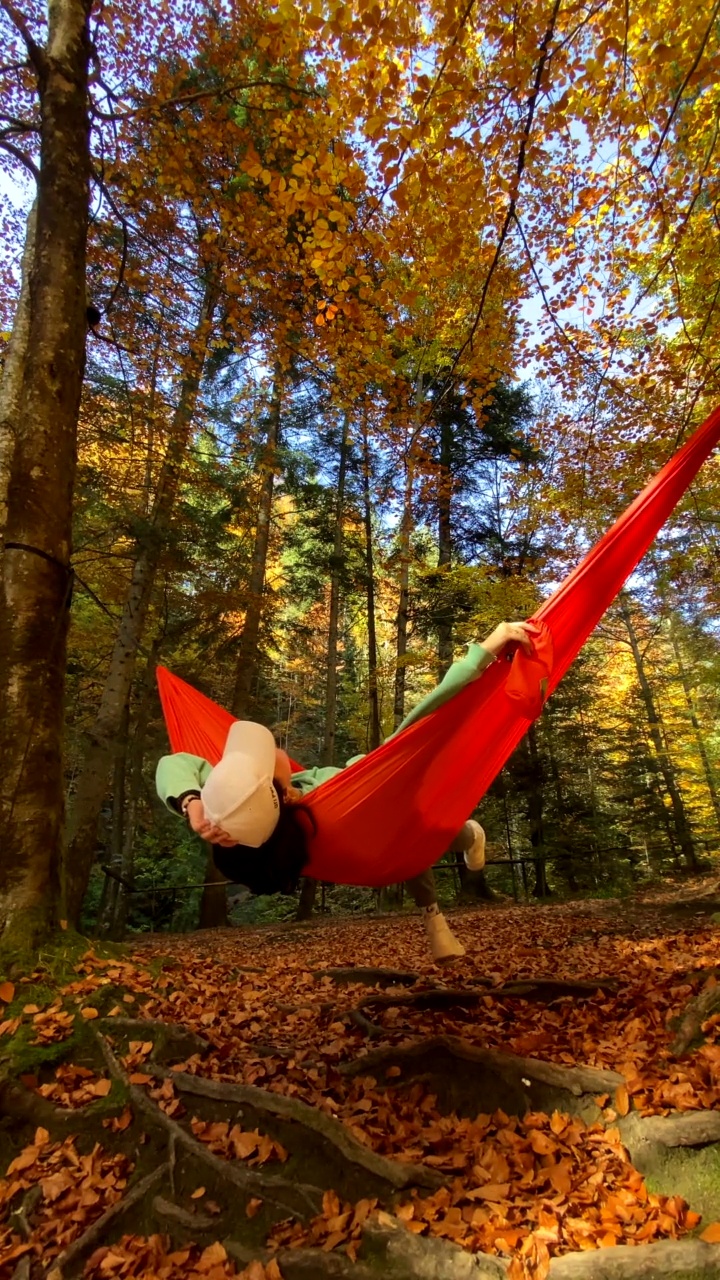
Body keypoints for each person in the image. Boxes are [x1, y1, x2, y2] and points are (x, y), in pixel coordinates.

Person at [156, 621, 533, 963]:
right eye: (265, 759)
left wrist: (192, 803)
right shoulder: (330, 811)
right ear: (283, 796)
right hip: (388, 820)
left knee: (412, 837)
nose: (272, 752)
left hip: (377, 833)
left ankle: (454, 872)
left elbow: (175, 762)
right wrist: (483, 652)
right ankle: (459, 859)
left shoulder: (241, 813)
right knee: (418, 835)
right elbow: (415, 728)